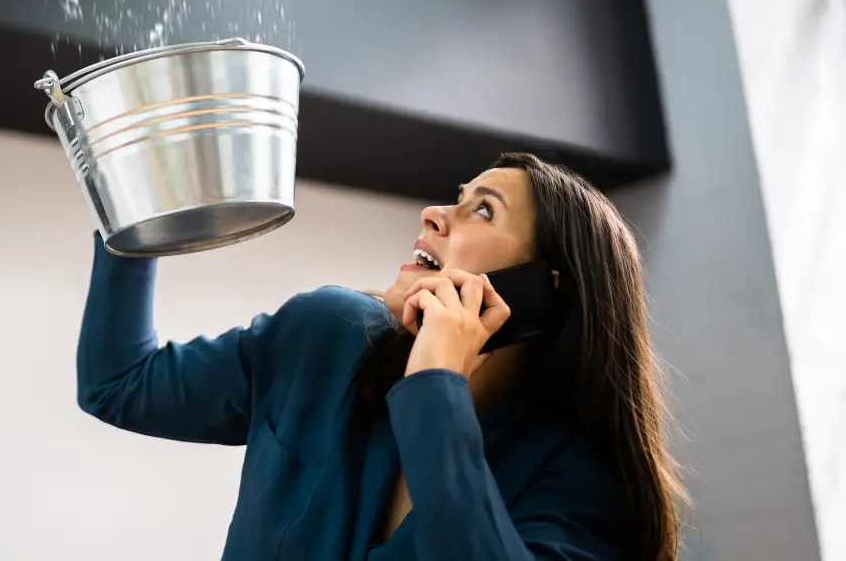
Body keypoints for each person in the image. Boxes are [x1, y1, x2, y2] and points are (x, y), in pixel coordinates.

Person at [76, 152, 688, 560]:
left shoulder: (579, 490)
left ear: (541, 290)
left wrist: (437, 384)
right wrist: (130, 207)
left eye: (482, 210)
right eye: (456, 197)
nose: (433, 214)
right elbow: (119, 382)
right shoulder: (325, 334)